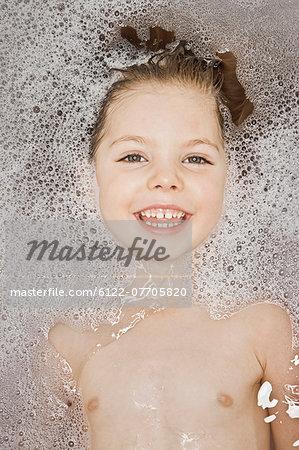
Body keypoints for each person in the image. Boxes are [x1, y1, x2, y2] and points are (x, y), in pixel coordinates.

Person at [48, 42, 298, 449]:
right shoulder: (68, 344)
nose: (166, 179)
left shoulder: (262, 326)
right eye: (133, 156)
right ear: (87, 178)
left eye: (196, 159)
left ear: (231, 182)